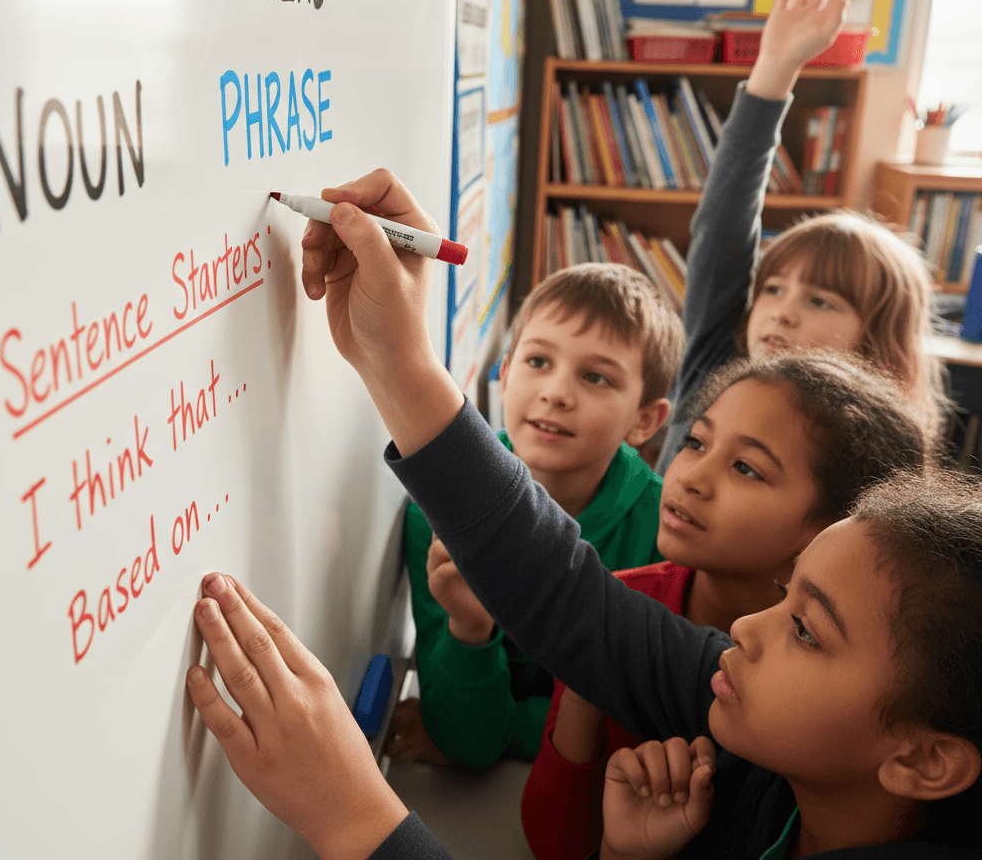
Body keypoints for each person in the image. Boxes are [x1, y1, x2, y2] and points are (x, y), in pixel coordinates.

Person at [185, 155, 981, 859]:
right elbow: (571, 597)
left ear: (923, 759)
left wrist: (353, 817)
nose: (743, 628)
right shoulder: (786, 747)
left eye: (806, 628)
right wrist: (397, 359)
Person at [520, 350, 925, 860]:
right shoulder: (624, 601)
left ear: (834, 529)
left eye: (745, 468)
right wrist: (589, 666)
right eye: (695, 442)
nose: (690, 476)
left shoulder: (838, 691)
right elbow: (554, 844)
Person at [655, 0, 945, 476]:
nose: (782, 313)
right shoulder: (719, 364)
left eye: (819, 300)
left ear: (874, 341)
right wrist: (774, 68)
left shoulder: (867, 453)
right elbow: (721, 226)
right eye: (772, 289)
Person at [392, 263, 683, 768]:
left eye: (595, 377)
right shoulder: (436, 513)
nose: (556, 393)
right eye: (538, 361)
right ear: (505, 374)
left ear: (644, 420)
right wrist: (469, 629)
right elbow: (467, 744)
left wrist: (510, 728)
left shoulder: (666, 529)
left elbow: (642, 725)